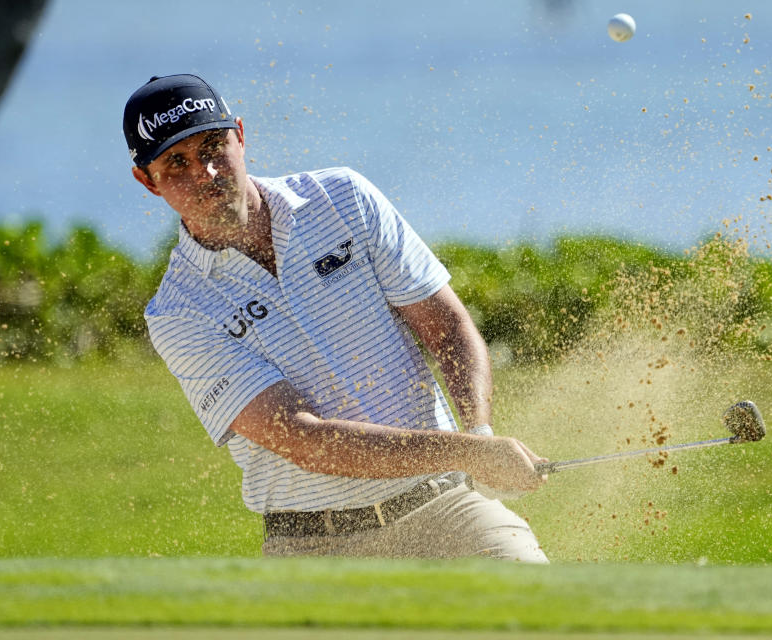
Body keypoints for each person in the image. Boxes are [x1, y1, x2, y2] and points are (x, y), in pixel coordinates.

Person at [123, 74, 548, 562]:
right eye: (177, 162)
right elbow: (304, 438)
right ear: (146, 180)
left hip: (445, 507)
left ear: (240, 136)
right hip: (311, 544)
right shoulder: (178, 312)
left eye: (214, 147)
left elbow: (444, 325)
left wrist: (478, 434)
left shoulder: (343, 198)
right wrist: (466, 454)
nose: (207, 173)